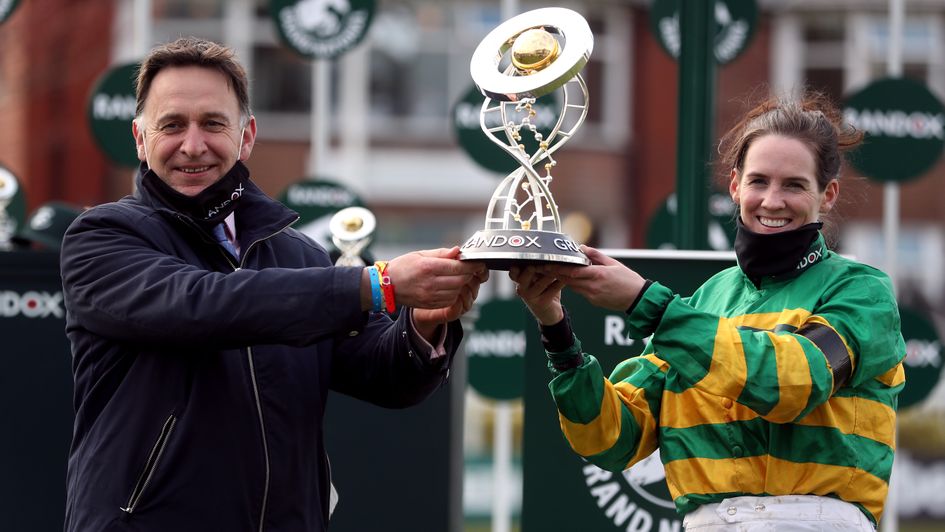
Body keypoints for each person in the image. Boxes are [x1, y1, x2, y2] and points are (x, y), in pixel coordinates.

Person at [60, 37, 487, 532]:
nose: (192, 145)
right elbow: (203, 304)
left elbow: (386, 377)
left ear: (246, 136)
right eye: (172, 125)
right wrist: (378, 283)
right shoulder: (102, 238)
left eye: (213, 124)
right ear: (140, 138)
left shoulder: (301, 255)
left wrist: (424, 324)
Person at [511, 92, 905, 531]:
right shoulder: (704, 302)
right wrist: (556, 329)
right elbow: (611, 440)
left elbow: (790, 381)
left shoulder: (861, 291)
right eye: (759, 181)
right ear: (735, 187)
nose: (772, 201)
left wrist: (644, 303)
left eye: (793, 184)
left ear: (827, 194)